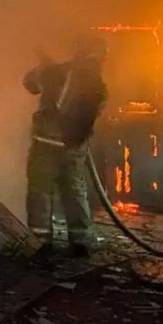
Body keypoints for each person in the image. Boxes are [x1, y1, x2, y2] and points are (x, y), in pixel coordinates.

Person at [23, 32, 108, 257]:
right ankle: (81, 242)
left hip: (47, 145)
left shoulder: (58, 71)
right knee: (74, 192)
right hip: (75, 148)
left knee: (41, 191)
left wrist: (45, 68)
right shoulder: (99, 83)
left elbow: (30, 83)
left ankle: (40, 243)